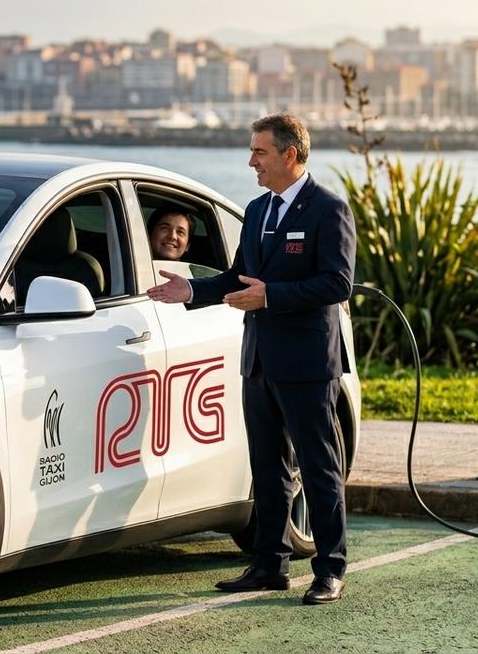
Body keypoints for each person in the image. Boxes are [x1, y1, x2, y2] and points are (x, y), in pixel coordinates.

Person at [146, 113, 356, 605]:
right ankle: (270, 565)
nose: (251, 161)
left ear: (290, 154)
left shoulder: (328, 209)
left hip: (306, 362)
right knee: (267, 467)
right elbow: (239, 277)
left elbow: (337, 283)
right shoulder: (258, 211)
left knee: (319, 467)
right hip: (258, 359)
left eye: (259, 152)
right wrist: (191, 289)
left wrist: (272, 297)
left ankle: (330, 569)